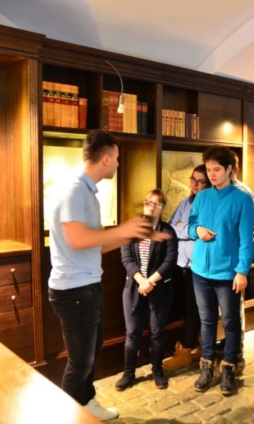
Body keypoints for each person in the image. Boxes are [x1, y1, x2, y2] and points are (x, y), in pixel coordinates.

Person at [47, 130, 168, 421]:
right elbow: (78, 238)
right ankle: (70, 416)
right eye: (116, 158)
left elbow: (98, 244)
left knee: (90, 353)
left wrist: (134, 234)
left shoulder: (87, 192)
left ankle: (87, 403)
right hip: (74, 291)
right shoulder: (76, 189)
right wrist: (126, 229)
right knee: (79, 362)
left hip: (87, 286)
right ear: (105, 158)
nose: (118, 163)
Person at [187, 146, 254, 395]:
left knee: (230, 321)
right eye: (209, 170)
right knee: (206, 320)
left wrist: (242, 271)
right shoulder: (202, 196)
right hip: (200, 271)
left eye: (217, 169)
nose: (212, 174)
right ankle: (207, 366)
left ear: (229, 169)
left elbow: (246, 239)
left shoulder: (242, 199)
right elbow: (190, 225)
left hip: (227, 273)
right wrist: (197, 231)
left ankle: (228, 367)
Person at [116, 189, 177, 391]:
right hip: (134, 288)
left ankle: (157, 371)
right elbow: (126, 258)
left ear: (162, 208)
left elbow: (170, 260)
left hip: (159, 289)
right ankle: (128, 373)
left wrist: (150, 281)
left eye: (157, 203)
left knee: (157, 332)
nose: (151, 206)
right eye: (148, 202)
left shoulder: (168, 231)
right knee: (132, 332)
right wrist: (141, 281)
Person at [162, 165, 211, 371]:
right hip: (182, 264)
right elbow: (171, 228)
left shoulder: (208, 204)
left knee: (195, 307)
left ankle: (188, 349)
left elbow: (202, 233)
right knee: (187, 306)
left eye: (201, 181)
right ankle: (196, 346)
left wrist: (186, 229)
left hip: (199, 265)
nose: (195, 185)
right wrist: (188, 230)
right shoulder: (185, 201)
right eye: (193, 180)